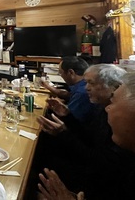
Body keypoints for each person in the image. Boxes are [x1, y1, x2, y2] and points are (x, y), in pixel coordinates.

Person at [36, 64, 135, 199]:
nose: (86, 88)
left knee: (44, 157)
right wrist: (68, 118)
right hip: (93, 175)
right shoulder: (101, 109)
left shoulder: (123, 138)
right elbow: (90, 138)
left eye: (91, 83)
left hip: (90, 175)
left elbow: (97, 162)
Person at [41, 56, 94, 122]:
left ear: (71, 72)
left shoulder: (81, 93)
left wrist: (56, 109)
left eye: (60, 73)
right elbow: (69, 95)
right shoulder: (82, 84)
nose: (61, 76)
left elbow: (69, 121)